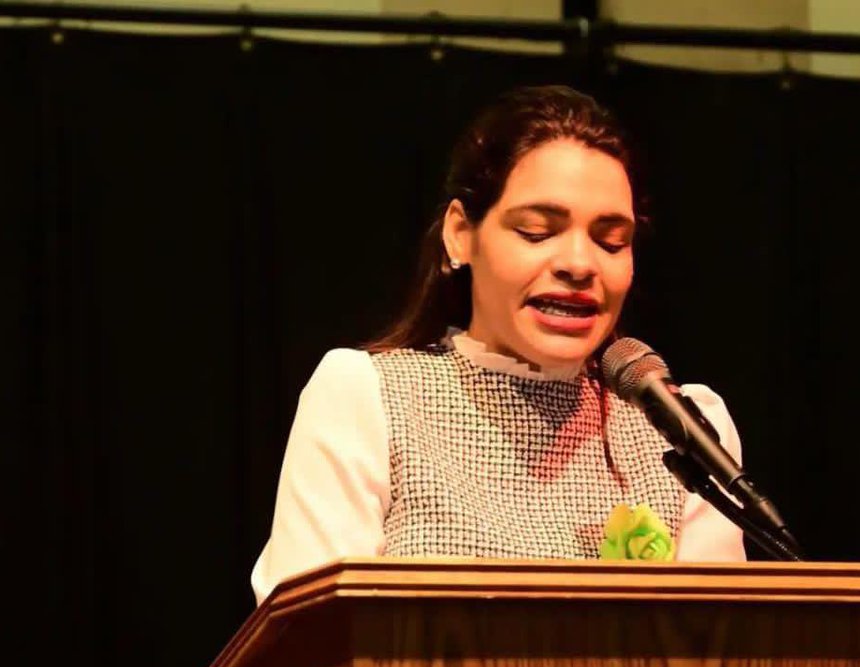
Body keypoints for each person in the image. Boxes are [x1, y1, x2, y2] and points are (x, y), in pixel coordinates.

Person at [251, 85, 746, 604]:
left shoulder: (681, 429)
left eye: (610, 241)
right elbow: (310, 648)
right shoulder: (367, 399)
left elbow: (716, 664)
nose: (579, 264)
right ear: (461, 234)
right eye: (536, 231)